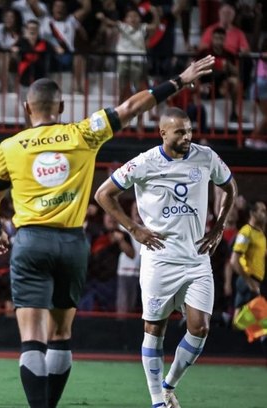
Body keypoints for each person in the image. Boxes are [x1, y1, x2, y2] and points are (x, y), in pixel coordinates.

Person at [0, 55, 216, 408]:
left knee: (32, 338)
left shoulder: (9, 147)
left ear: (27, 107)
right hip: (72, 243)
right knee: (61, 334)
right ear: (61, 106)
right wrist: (180, 80)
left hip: (29, 241)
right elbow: (134, 105)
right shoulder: (83, 132)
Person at [94, 106, 238, 408]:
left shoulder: (206, 156)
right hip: (159, 260)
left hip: (197, 259)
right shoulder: (145, 162)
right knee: (154, 329)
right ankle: (158, 401)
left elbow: (229, 186)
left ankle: (169, 384)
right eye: (180, 132)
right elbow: (103, 194)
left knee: (200, 328)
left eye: (189, 130)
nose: (187, 136)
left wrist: (220, 225)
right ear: (163, 133)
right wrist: (134, 229)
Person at [230, 201, 266, 319]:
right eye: (262, 211)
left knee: (254, 323)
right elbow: (234, 260)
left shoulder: (260, 234)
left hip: (258, 282)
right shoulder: (246, 232)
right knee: (240, 319)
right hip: (248, 281)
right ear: (253, 213)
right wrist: (249, 282)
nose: (265, 214)